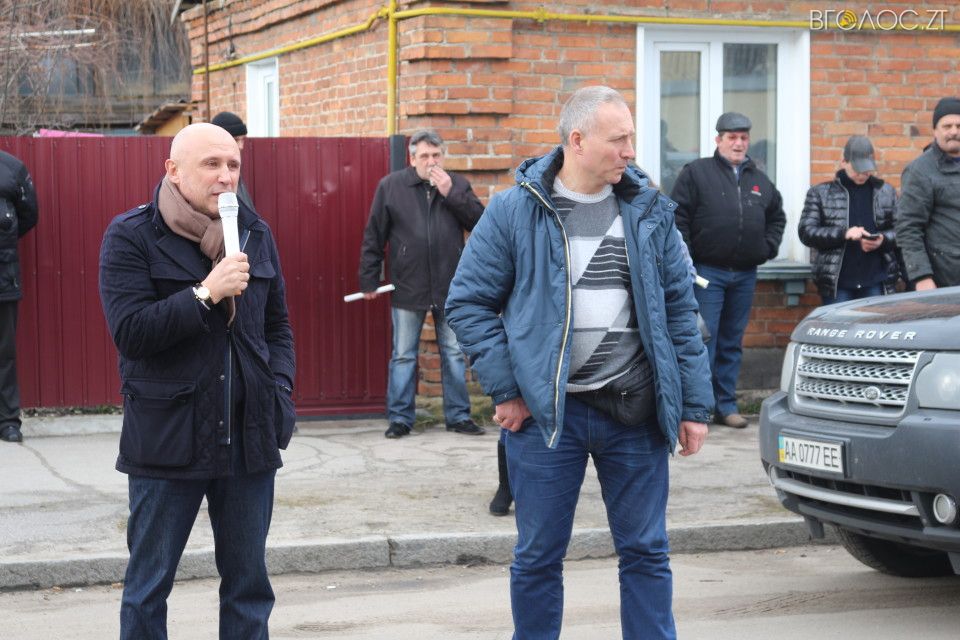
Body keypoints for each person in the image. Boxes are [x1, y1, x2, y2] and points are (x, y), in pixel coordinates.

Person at [446, 85, 712, 639]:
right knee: (538, 556)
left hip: (633, 408)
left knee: (646, 551)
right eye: (619, 140)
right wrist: (507, 390)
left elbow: (680, 312)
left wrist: (693, 405)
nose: (630, 151)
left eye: (631, 138)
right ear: (578, 140)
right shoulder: (515, 210)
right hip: (547, 415)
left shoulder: (649, 211)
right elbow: (467, 303)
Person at [98, 123, 296, 639]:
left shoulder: (254, 232)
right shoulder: (132, 234)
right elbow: (131, 333)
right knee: (148, 587)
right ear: (174, 171)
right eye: (211, 164)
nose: (226, 176)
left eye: (233, 165)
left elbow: (277, 327)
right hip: (169, 439)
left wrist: (280, 390)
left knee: (249, 588)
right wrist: (205, 293)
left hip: (249, 438)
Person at [358, 129, 485, 439]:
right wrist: (369, 279)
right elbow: (374, 235)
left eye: (436, 155)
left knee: (453, 353)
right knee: (403, 354)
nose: (431, 162)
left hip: (451, 286)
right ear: (412, 158)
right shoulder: (391, 186)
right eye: (425, 156)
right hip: (408, 284)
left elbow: (481, 223)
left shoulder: (456, 185)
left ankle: (459, 416)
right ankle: (400, 418)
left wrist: (450, 193)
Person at [671, 112, 785, 429]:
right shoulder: (697, 174)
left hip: (745, 274)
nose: (738, 143)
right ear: (718, 140)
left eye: (743, 138)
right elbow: (677, 217)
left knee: (732, 342)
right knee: (703, 340)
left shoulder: (759, 180)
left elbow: (777, 217)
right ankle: (699, 408)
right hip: (707, 273)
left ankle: (726, 405)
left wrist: (766, 248)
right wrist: (686, 259)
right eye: (732, 137)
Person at [799, 135, 899, 305]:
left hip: (875, 281)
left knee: (874, 323)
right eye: (857, 168)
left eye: (867, 169)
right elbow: (806, 232)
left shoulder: (886, 192)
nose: (863, 174)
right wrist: (844, 234)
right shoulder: (820, 193)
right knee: (839, 323)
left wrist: (882, 240)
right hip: (838, 284)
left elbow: (903, 231)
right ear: (843, 162)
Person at [896, 97, 960, 290]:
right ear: (935, 130)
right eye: (947, 126)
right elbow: (908, 227)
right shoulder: (920, 170)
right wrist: (922, 276)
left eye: (959, 126)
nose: (954, 131)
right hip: (945, 281)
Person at [0, 150, 38, 443]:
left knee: (5, 353)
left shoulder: (11, 168)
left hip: (3, 277)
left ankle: (8, 421)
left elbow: (29, 215)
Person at [211, 111, 256, 213]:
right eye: (236, 140)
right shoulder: (213, 173)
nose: (241, 146)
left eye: (242, 139)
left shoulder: (234, 169)